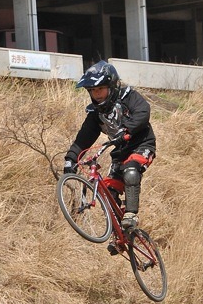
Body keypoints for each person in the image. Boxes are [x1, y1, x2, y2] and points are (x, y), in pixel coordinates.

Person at [63, 60, 156, 232]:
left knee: (131, 172)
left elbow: (143, 111)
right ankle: (121, 233)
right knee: (108, 192)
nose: (96, 94)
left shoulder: (128, 96)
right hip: (120, 151)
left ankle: (131, 215)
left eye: (100, 89)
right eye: (92, 90)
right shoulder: (95, 113)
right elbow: (83, 138)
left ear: (111, 86)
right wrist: (71, 159)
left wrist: (127, 129)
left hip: (142, 144)